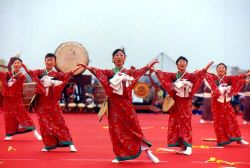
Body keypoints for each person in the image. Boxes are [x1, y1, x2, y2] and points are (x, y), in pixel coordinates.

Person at [78, 48, 160, 163]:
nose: (119, 57)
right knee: (116, 131)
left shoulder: (129, 73)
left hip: (126, 105)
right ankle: (119, 155)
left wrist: (148, 66)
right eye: (116, 55)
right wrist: (88, 68)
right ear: (113, 59)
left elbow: (140, 71)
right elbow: (98, 72)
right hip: (114, 106)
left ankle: (148, 152)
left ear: (125, 58)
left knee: (135, 128)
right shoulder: (109, 73)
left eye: (122, 55)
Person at [154, 56, 213, 155]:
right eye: (180, 62)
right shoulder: (173, 75)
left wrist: (206, 67)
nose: (182, 63)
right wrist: (155, 70)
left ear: (187, 64)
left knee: (186, 123)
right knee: (175, 123)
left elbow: (199, 74)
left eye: (184, 62)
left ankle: (189, 147)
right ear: (177, 65)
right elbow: (162, 74)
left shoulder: (190, 76)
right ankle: (183, 146)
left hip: (185, 103)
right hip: (176, 102)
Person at [29, 53, 80, 152]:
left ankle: (70, 144)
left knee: (59, 123)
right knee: (44, 124)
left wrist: (53, 83)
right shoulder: (40, 72)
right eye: (48, 60)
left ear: (55, 62)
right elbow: (31, 73)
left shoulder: (57, 74)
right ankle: (49, 145)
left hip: (52, 102)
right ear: (45, 61)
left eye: (51, 60)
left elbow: (66, 76)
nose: (49, 62)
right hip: (41, 103)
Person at [205, 63, 250, 146]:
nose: (221, 69)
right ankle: (221, 140)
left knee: (232, 119)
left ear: (225, 70)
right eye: (219, 68)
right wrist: (205, 69)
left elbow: (237, 78)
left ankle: (238, 139)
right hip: (216, 103)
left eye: (222, 68)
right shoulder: (213, 78)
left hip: (226, 102)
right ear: (217, 69)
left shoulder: (228, 78)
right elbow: (205, 75)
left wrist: (246, 75)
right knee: (218, 122)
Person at [0, 57, 42, 140]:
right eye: (15, 63)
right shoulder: (8, 75)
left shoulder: (23, 76)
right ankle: (9, 135)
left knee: (24, 116)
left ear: (21, 65)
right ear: (12, 65)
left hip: (17, 100)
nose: (16, 64)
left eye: (18, 63)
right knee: (9, 117)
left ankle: (36, 133)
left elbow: (28, 81)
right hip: (7, 100)